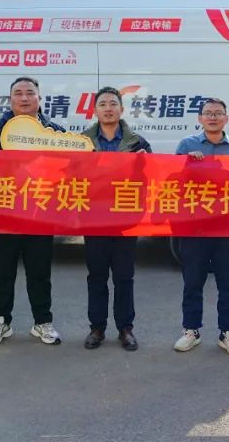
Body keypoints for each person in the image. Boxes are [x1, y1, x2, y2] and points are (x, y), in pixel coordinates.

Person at [0, 77, 65, 345]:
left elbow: (74, 169)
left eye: (30, 93)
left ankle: (43, 322)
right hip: (3, 214)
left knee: (40, 272)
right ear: (10, 99)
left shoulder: (54, 132)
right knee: (1, 272)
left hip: (40, 214)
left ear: (39, 98)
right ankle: (0, 322)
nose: (24, 98)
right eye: (18, 93)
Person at [173, 98, 229, 357]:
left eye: (218, 113)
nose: (212, 117)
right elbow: (173, 183)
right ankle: (191, 331)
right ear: (200, 118)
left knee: (228, 283)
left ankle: (228, 333)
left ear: (226, 119)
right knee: (192, 281)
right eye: (208, 113)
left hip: (227, 227)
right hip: (194, 226)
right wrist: (187, 164)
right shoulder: (187, 145)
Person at [79, 87, 152, 351]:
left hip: (125, 219)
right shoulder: (81, 143)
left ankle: (125, 329)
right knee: (96, 276)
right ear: (95, 110)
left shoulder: (138, 143)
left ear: (121, 109)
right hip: (94, 219)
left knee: (124, 277)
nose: (108, 108)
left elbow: (151, 180)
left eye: (113, 103)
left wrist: (145, 164)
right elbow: (69, 176)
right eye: (103, 104)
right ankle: (97, 328)